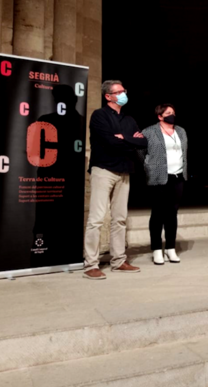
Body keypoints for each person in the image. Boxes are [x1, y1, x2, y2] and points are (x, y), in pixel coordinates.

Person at [83, 80, 148, 280]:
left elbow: (143, 141)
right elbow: (109, 142)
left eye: (124, 91)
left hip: (125, 171)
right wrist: (128, 139)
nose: (123, 94)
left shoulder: (129, 119)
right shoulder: (99, 116)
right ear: (108, 96)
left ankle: (118, 260)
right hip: (104, 169)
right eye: (118, 92)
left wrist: (125, 137)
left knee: (119, 218)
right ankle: (90, 264)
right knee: (96, 219)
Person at [139, 104, 188, 265]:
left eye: (173, 112)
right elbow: (140, 152)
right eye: (168, 113)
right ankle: (157, 249)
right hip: (158, 177)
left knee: (172, 213)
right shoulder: (149, 132)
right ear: (160, 116)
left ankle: (171, 248)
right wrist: (148, 166)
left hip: (177, 176)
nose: (172, 115)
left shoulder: (180, 131)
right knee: (158, 214)